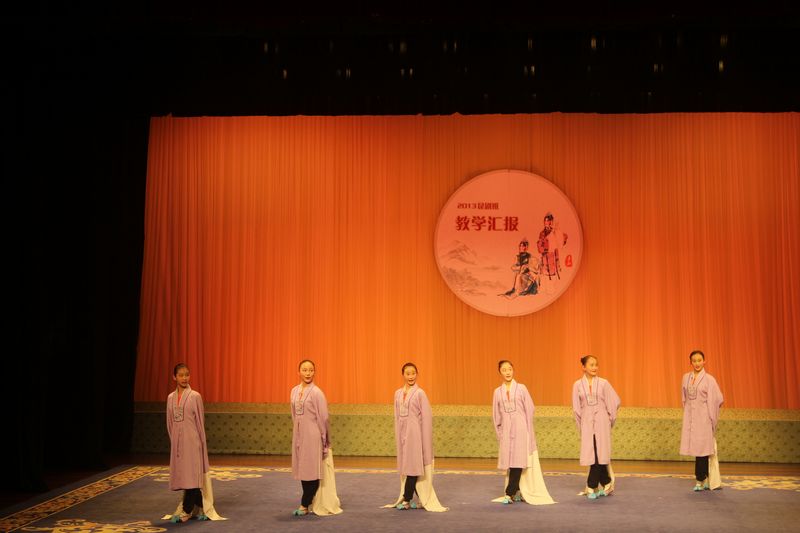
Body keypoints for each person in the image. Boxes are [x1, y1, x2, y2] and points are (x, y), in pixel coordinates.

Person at [384, 362, 447, 512]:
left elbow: (427, 418)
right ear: (403, 375)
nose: (411, 376)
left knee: (412, 467)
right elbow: (397, 416)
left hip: (415, 436)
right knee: (408, 467)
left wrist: (426, 441)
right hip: (403, 435)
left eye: (413, 373)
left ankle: (407, 499)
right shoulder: (397, 394)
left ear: (417, 374)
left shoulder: (420, 393)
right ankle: (421, 498)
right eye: (408, 373)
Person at [165, 363, 223, 522]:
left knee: (192, 476)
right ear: (174, 377)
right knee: (185, 477)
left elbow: (200, 422)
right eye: (181, 375)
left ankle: (187, 510)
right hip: (178, 444)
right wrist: (174, 441)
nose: (184, 378)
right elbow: (170, 422)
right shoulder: (170, 398)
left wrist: (201, 444)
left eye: (187, 375)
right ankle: (203, 505)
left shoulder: (195, 396)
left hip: (193, 442)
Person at [491, 360, 555, 505]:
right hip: (506, 431)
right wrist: (500, 433)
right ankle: (518, 491)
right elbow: (496, 415)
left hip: (521, 430)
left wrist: (527, 429)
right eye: (504, 370)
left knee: (518, 462)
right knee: (510, 462)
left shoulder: (521, 388)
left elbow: (530, 408)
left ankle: (509, 493)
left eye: (509, 369)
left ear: (513, 370)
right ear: (500, 372)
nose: (507, 372)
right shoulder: (497, 392)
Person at [291, 359, 341, 516]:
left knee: (312, 470)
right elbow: (294, 414)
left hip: (313, 435)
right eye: (304, 370)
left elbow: (324, 418)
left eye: (311, 370)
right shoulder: (294, 391)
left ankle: (304, 504)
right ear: (299, 372)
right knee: (303, 469)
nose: (308, 373)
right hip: (299, 434)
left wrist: (325, 439)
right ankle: (307, 502)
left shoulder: (317, 392)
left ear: (314, 372)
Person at [572, 355, 620, 500]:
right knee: (593, 453)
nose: (594, 367)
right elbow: (576, 408)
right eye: (591, 365)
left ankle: (591, 485)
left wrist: (609, 420)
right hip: (587, 422)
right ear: (584, 367)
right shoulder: (577, 385)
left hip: (602, 422)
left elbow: (614, 401)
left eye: (596, 365)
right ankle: (607, 483)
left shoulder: (604, 383)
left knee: (600, 453)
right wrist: (581, 425)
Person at [680, 350, 724, 491]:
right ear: (691, 362)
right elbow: (684, 397)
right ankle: (703, 478)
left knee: (703, 450)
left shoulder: (709, 379)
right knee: (698, 449)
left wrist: (710, 415)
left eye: (699, 360)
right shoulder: (686, 377)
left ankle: (701, 479)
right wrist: (688, 411)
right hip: (691, 417)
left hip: (704, 417)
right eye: (694, 361)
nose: (697, 363)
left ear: (704, 361)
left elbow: (718, 398)